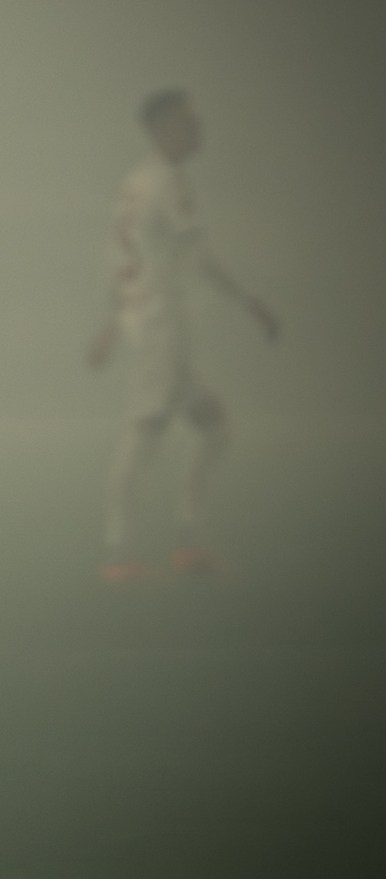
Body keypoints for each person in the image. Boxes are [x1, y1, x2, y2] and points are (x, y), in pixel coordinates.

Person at [88, 88, 280, 580]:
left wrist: (111, 321)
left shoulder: (134, 182)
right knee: (143, 431)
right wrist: (249, 300)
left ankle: (187, 542)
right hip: (160, 327)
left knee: (215, 425)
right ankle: (119, 553)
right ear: (164, 129)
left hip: (148, 322)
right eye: (189, 122)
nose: (198, 130)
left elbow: (119, 255)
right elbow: (201, 258)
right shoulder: (166, 184)